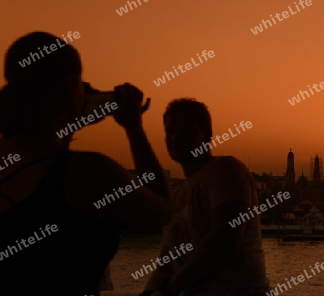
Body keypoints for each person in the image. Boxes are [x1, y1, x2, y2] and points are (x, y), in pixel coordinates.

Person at [0, 31, 172, 296]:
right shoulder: (89, 172)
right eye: (82, 83)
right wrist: (134, 126)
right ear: (70, 86)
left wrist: (67, 127)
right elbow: (162, 212)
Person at [141, 98, 270, 296]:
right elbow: (167, 261)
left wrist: (171, 288)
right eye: (170, 132)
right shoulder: (178, 195)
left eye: (186, 131)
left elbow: (224, 240)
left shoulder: (226, 169)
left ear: (207, 134)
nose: (176, 138)